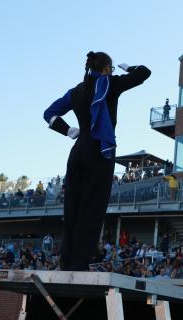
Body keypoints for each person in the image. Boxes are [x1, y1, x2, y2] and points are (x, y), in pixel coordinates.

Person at [43, 51, 151, 271]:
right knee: (92, 209)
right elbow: (144, 73)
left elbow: (49, 113)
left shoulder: (76, 91)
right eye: (109, 68)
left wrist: (68, 130)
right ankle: (79, 263)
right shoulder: (109, 83)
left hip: (78, 151)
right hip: (100, 151)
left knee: (72, 207)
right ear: (106, 69)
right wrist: (128, 68)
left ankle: (66, 261)